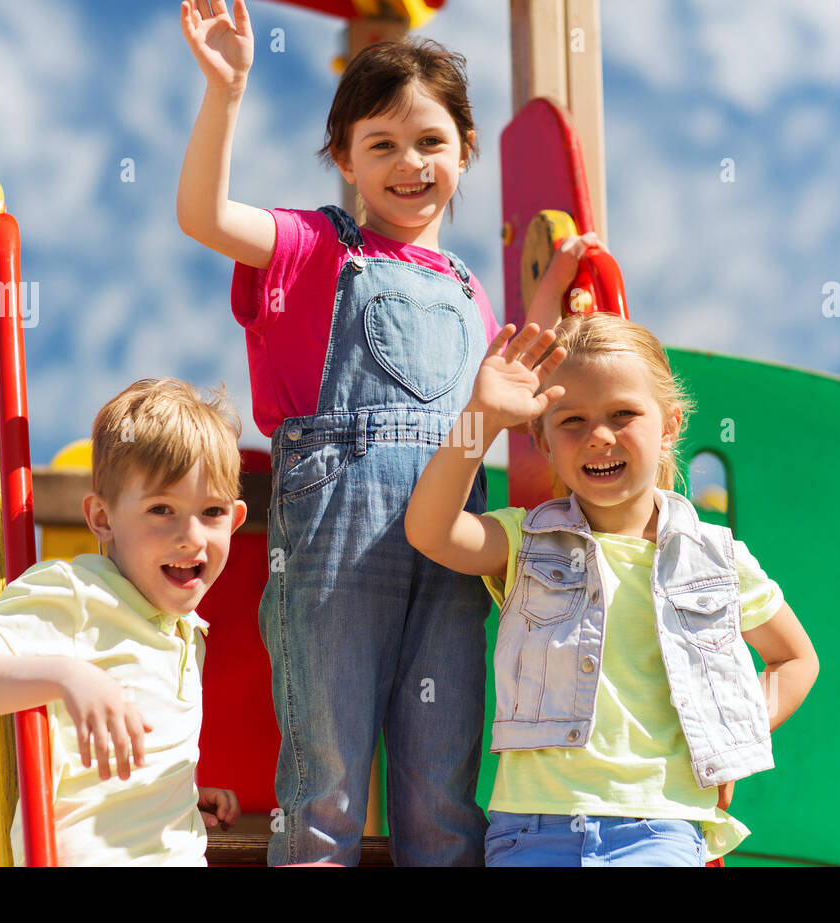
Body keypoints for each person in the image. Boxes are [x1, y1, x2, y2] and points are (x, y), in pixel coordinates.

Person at [176, 0, 598, 865]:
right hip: (335, 545)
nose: (410, 164)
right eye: (382, 145)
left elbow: (520, 382)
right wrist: (225, 92)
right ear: (345, 160)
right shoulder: (311, 248)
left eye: (431, 141)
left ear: (465, 151)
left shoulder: (472, 292)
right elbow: (204, 216)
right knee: (326, 774)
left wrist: (559, 294)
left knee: (442, 787)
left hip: (448, 552)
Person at [406, 314, 820, 866]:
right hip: (533, 827)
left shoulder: (716, 558)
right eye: (572, 420)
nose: (599, 435)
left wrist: (725, 735)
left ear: (670, 425)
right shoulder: (526, 541)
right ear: (544, 442)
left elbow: (796, 659)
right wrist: (479, 420)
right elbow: (431, 530)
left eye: (623, 413)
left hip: (661, 827)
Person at [0, 379, 247, 866]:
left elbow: (107, 776)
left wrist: (176, 793)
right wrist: (67, 676)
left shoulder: (184, 631)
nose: (190, 537)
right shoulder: (76, 593)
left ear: (235, 520)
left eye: (212, 512)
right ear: (102, 517)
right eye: (162, 509)